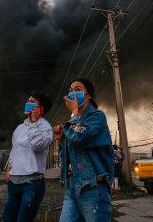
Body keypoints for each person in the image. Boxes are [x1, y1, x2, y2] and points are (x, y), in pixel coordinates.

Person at [53, 78, 115, 222]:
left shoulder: (97, 116)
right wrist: (61, 140)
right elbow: (68, 155)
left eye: (78, 89)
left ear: (88, 96)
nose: (73, 93)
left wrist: (74, 113)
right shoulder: (72, 124)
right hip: (72, 186)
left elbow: (81, 136)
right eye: (70, 90)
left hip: (93, 186)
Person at [3, 90, 53, 222]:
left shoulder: (45, 127)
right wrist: (9, 168)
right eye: (28, 100)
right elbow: (14, 150)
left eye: (32, 102)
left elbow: (38, 145)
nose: (28, 103)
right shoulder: (20, 127)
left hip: (32, 183)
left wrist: (34, 122)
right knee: (8, 219)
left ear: (40, 108)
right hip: (14, 183)